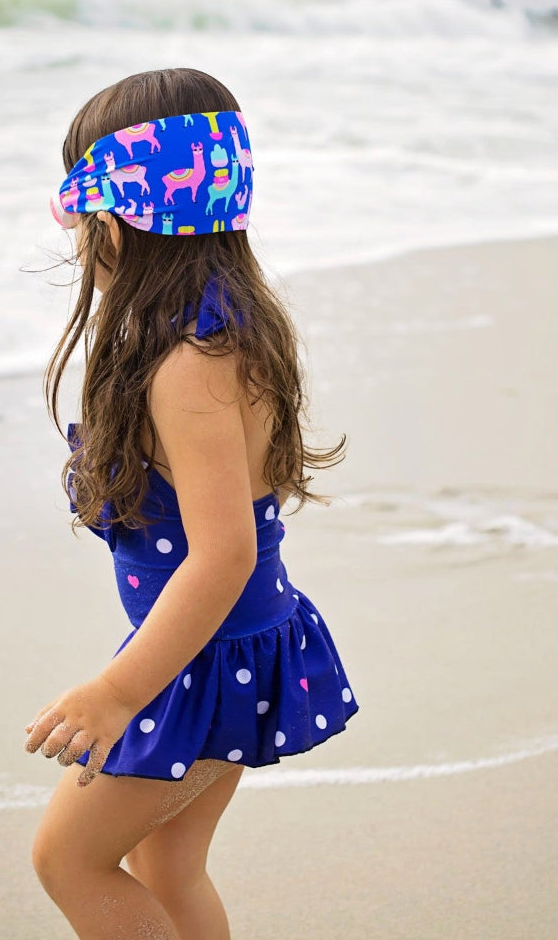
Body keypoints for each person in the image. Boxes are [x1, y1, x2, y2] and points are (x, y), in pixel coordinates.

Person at [24, 67, 358, 940]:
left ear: (124, 218)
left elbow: (224, 552)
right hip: (228, 642)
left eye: (80, 214)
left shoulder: (190, 363)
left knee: (68, 859)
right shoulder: (219, 329)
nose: (77, 238)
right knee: (167, 864)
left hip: (200, 663)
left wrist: (116, 691)